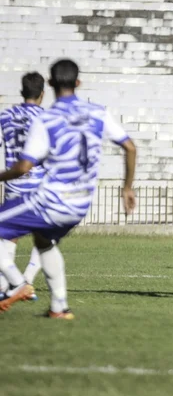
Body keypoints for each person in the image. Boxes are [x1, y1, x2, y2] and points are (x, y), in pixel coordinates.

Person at [0, 59, 137, 319]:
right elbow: (130, 147)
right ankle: (59, 307)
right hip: (80, 205)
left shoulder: (48, 118)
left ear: (50, 83)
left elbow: (23, 167)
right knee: (43, 241)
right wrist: (127, 187)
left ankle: (18, 284)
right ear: (78, 83)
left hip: (50, 202)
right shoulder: (98, 112)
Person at [0, 72, 47, 301]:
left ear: (22, 92)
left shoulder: (5, 116)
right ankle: (26, 280)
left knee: (9, 235)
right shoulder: (46, 118)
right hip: (38, 183)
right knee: (45, 235)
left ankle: (7, 283)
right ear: (42, 94)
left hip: (13, 182)